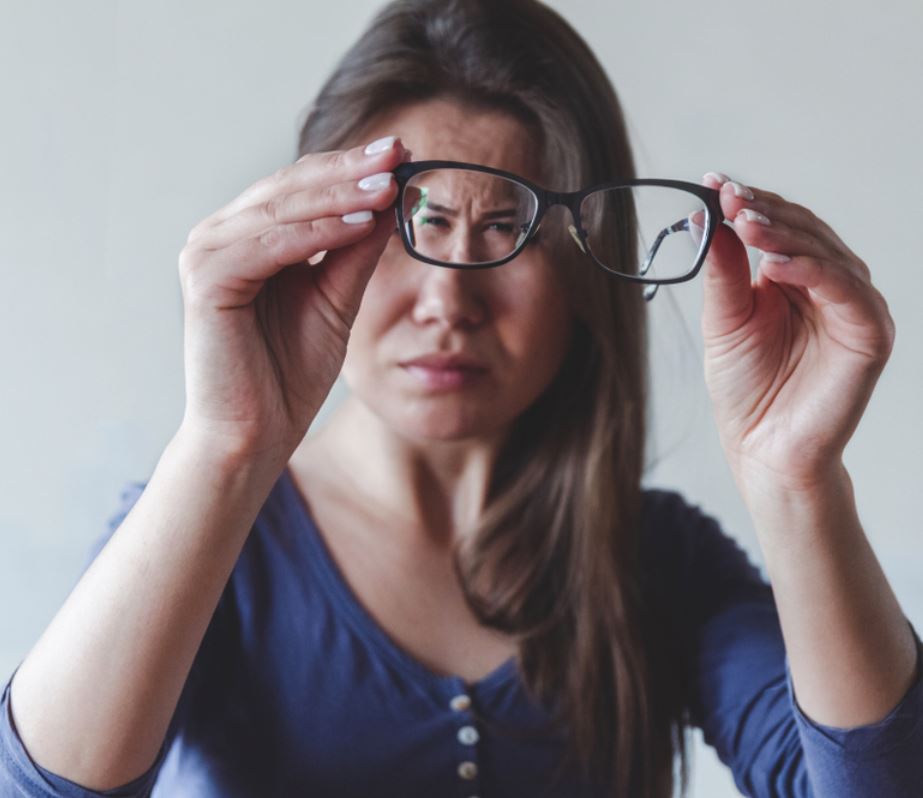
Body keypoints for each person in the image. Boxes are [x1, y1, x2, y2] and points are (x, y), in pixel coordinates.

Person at [2, 0, 921, 796]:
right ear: (317, 236)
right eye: (420, 222)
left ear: (583, 274)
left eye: (508, 230)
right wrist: (224, 451)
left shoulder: (656, 562)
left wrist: (799, 481)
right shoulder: (210, 541)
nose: (451, 299)